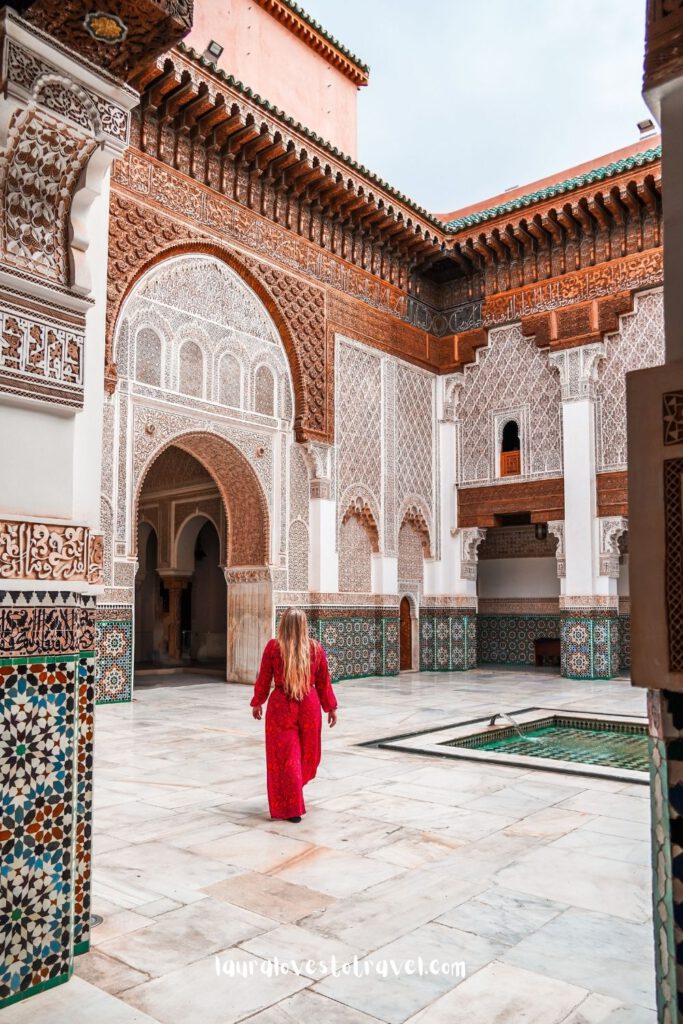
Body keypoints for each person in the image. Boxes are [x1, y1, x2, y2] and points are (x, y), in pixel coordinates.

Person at [251, 608, 338, 822]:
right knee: (305, 756)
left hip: (281, 706)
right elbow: (323, 682)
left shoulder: (274, 647)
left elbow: (264, 679)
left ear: (283, 625)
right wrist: (331, 707)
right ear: (304, 626)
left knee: (286, 758)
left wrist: (258, 702)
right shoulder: (315, 649)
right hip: (309, 706)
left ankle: (290, 797)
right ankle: (293, 803)